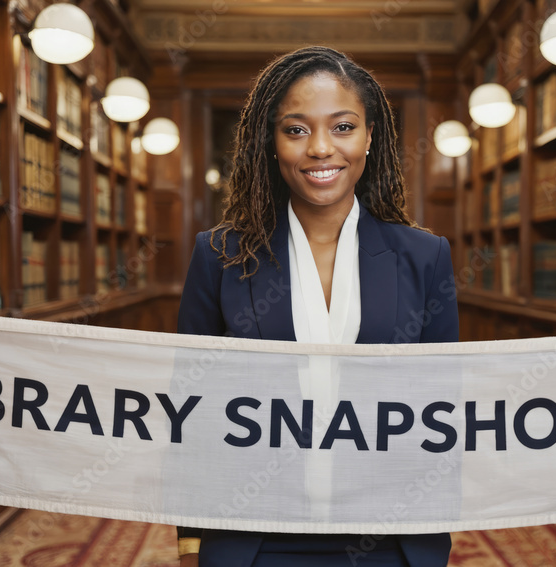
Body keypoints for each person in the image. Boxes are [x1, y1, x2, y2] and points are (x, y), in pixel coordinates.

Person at [177, 45, 459, 567]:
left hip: (389, 540)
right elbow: (191, 412)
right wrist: (192, 540)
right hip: (255, 537)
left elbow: (441, 413)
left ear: (370, 137)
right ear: (272, 142)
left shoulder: (426, 258)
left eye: (343, 127)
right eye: (297, 129)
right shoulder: (218, 256)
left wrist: (433, 538)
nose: (321, 149)